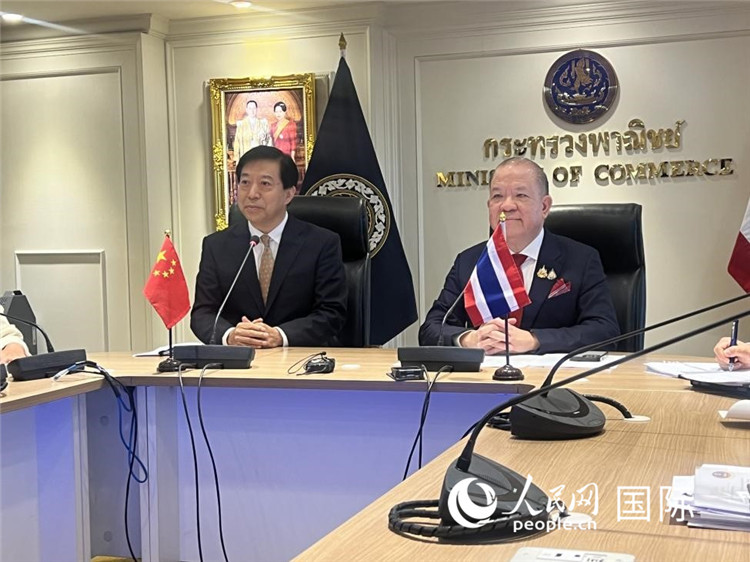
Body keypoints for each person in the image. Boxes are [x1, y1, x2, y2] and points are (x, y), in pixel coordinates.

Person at [419, 157, 620, 354]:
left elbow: (604, 331)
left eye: (521, 195)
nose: (506, 206)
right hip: (485, 374)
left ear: (544, 207)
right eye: (497, 196)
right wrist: (469, 339)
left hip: (551, 375)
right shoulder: (470, 261)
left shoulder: (581, 259)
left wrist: (534, 340)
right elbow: (431, 329)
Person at [191, 145, 347, 348]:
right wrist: (230, 335)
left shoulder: (321, 243)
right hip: (238, 360)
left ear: (288, 194)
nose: (252, 193)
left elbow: (332, 313)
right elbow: (203, 313)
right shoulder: (216, 246)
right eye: (245, 182)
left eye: (265, 184)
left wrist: (280, 335)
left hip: (300, 358)